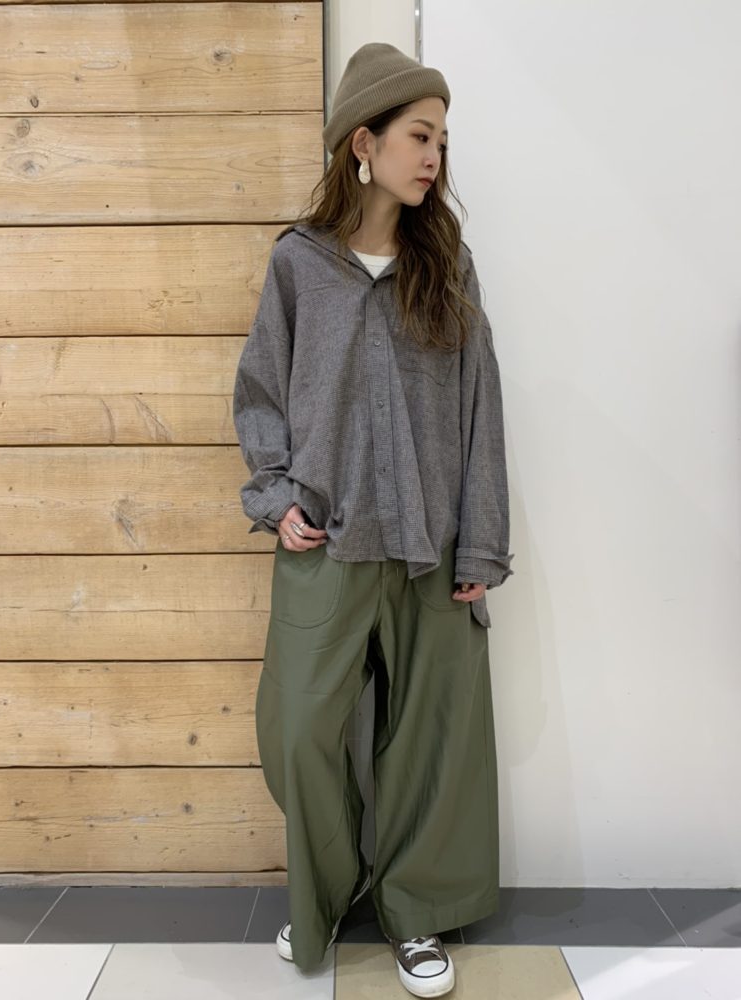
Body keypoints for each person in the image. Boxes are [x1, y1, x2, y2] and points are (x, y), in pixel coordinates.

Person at [232, 41, 515, 998]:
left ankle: (415, 912)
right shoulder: (300, 265)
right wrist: (276, 498)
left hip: (434, 549)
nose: (434, 156)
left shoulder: (449, 265)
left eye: (441, 141)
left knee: (430, 739)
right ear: (365, 142)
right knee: (300, 728)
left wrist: (481, 543)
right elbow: (262, 392)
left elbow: (479, 409)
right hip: (327, 541)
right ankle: (325, 893)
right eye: (419, 136)